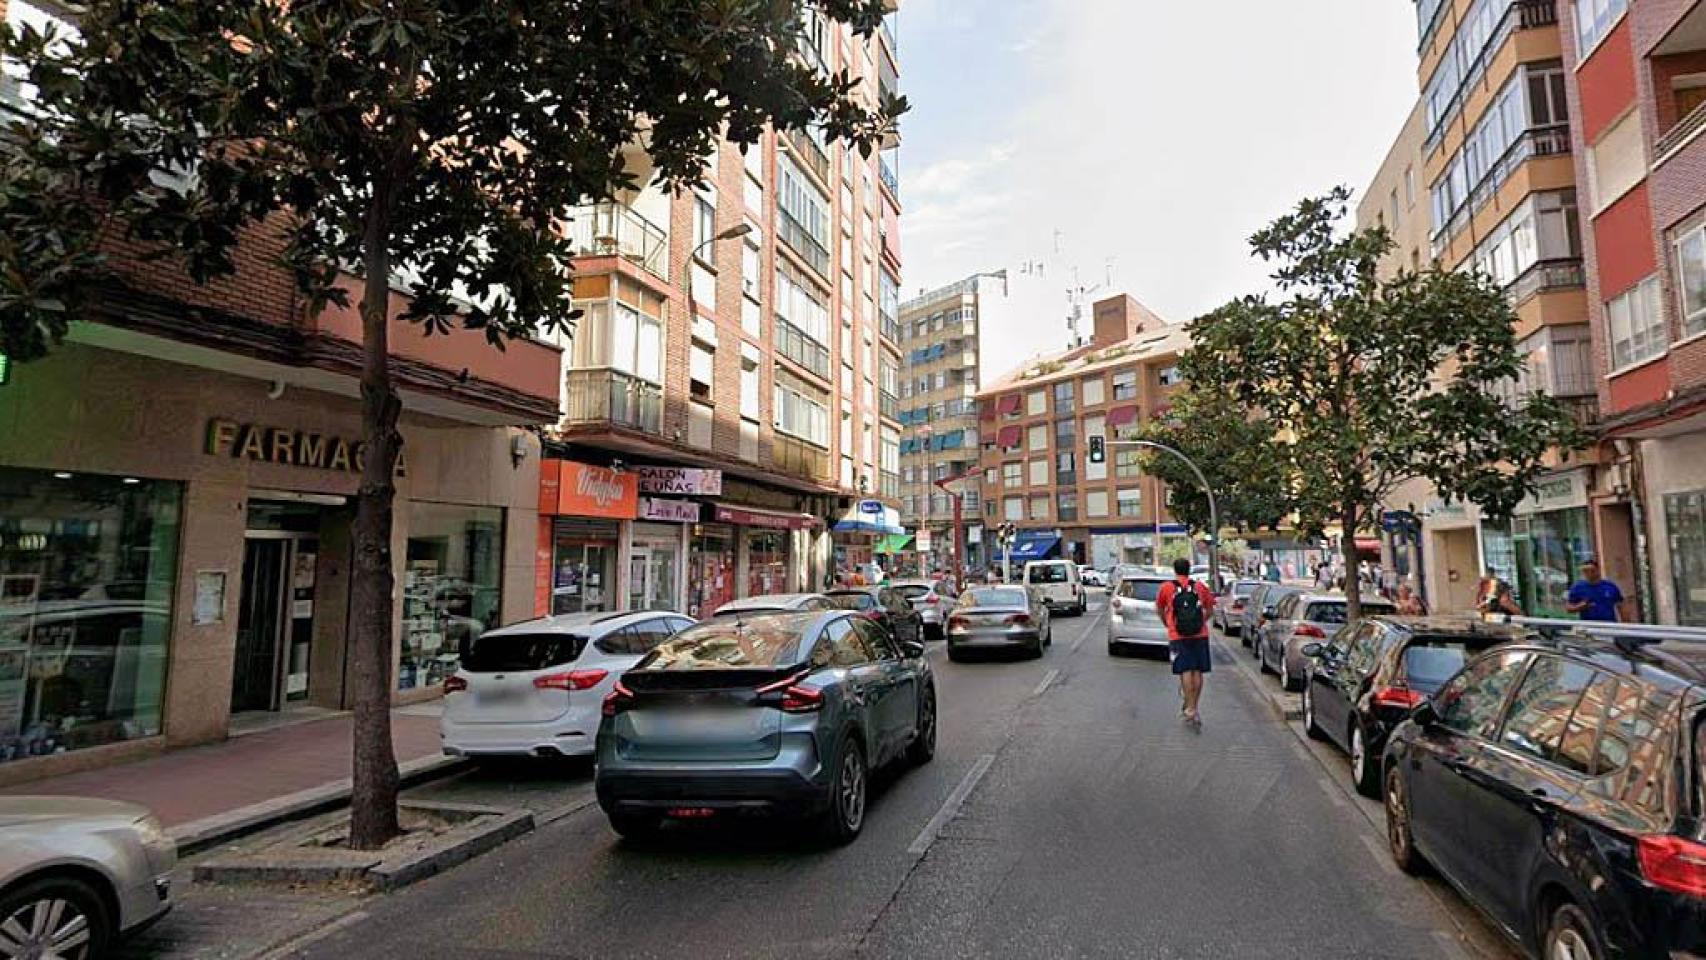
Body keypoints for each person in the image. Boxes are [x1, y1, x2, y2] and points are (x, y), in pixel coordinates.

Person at [1157, 557, 1216, 728]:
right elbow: (1210, 608)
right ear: (1189, 570)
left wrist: (1168, 623)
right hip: (1200, 634)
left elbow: (1160, 608)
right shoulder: (1199, 587)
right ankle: (1194, 707)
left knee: (1185, 670)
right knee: (1198, 670)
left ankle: (1189, 707)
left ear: (1175, 570)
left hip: (1178, 636)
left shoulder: (1167, 588)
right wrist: (1201, 621)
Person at [1566, 558, 1625, 622]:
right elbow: (1568, 608)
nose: (1589, 573)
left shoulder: (1610, 586)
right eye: (1585, 571)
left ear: (1598, 570)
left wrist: (1626, 626)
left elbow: (1621, 607)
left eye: (1592, 570)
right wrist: (1580, 607)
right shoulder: (1577, 588)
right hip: (1589, 626)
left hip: (1609, 626)